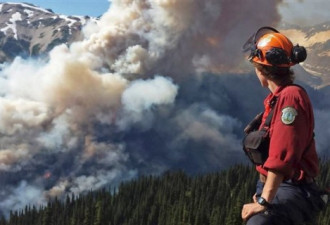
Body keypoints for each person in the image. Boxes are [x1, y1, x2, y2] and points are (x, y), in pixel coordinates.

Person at [241, 27, 325, 225]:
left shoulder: (290, 98)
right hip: (279, 188)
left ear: (261, 69)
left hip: (291, 188)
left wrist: (264, 200)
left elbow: (282, 154)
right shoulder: (277, 98)